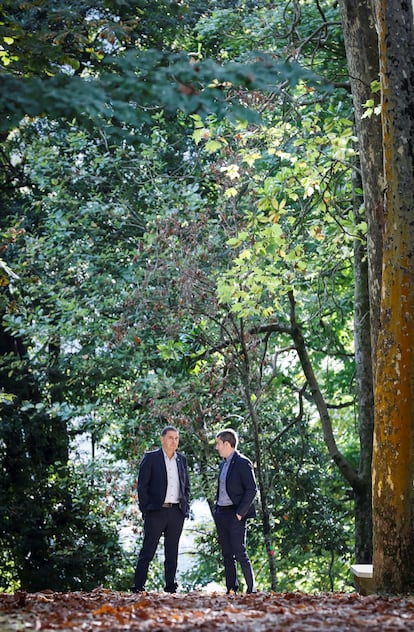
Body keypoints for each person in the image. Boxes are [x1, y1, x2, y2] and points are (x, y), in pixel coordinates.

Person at [132, 425, 190, 593]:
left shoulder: (182, 460)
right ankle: (138, 586)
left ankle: (170, 587)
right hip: (156, 511)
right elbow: (142, 486)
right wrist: (146, 510)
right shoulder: (151, 458)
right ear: (162, 439)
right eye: (171, 438)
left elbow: (186, 486)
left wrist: (184, 507)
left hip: (176, 511)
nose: (174, 441)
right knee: (148, 550)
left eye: (177, 438)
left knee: (172, 552)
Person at [214, 428, 257, 594]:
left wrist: (240, 513)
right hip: (221, 513)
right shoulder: (222, 464)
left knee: (240, 552)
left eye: (218, 443)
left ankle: (251, 589)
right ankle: (231, 588)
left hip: (235, 514)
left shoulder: (242, 462)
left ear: (227, 443)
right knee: (227, 554)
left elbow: (252, 489)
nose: (217, 447)